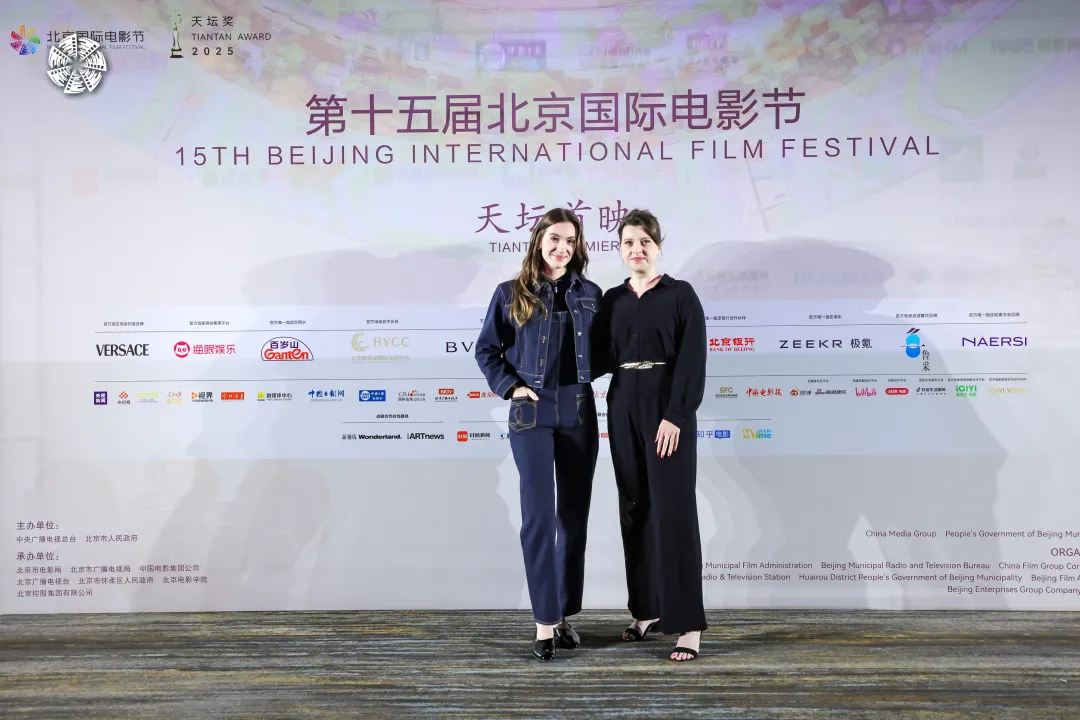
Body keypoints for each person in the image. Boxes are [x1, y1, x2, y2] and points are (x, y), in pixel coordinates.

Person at [475, 207, 603, 661]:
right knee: (539, 517)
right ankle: (544, 622)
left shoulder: (591, 293)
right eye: (554, 239)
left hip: (579, 409)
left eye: (570, 240)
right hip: (531, 410)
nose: (561, 248)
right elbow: (487, 350)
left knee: (573, 518)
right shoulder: (511, 293)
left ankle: (563, 613)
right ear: (538, 241)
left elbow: (605, 349)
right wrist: (512, 386)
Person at [594, 209, 708, 662]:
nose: (636, 249)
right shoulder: (611, 300)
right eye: (628, 242)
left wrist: (676, 414)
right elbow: (596, 358)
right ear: (620, 251)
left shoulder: (681, 295)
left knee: (673, 512)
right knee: (634, 508)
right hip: (622, 405)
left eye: (644, 241)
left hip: (667, 412)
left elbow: (693, 359)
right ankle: (646, 610)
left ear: (658, 247)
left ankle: (687, 624)